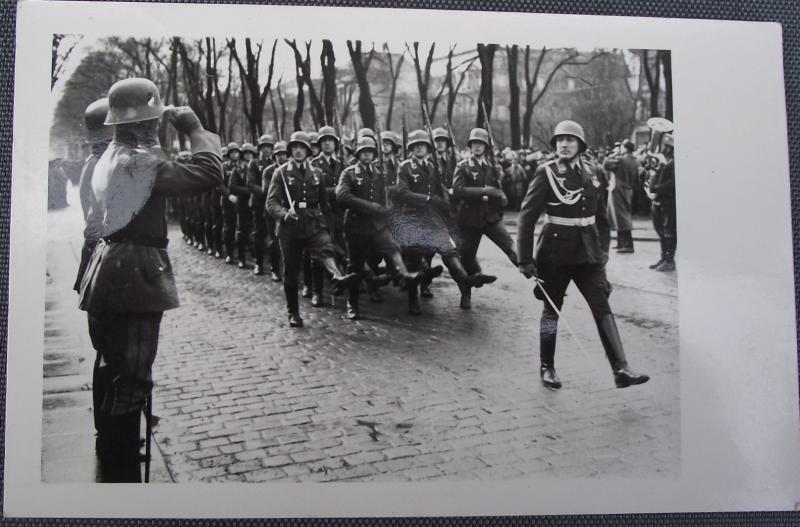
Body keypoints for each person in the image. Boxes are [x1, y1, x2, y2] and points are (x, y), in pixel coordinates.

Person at [78, 78, 223, 482]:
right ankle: (123, 476)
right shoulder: (139, 162)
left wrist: (157, 132)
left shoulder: (112, 153)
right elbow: (209, 173)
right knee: (134, 379)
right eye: (156, 119)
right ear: (148, 120)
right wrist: (194, 128)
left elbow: (153, 160)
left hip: (110, 269)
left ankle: (110, 453)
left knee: (113, 368)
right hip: (134, 279)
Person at [517, 120, 649, 390]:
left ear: (580, 145)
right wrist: (525, 259)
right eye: (560, 140)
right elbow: (526, 218)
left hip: (588, 254)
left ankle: (620, 367)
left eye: (570, 140)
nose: (564, 144)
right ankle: (547, 367)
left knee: (602, 305)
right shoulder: (546, 173)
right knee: (551, 311)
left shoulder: (594, 171)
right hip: (554, 253)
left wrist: (602, 252)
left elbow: (601, 219)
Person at [392, 129, 495, 315]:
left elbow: (442, 192)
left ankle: (464, 279)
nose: (419, 149)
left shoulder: (434, 168)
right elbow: (402, 192)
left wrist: (447, 207)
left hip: (434, 218)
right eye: (415, 146)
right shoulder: (405, 167)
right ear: (411, 149)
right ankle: (413, 299)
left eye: (422, 146)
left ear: (428, 148)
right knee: (414, 261)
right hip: (413, 218)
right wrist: (428, 199)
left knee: (449, 252)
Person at [265, 131, 357, 328]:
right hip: (290, 227)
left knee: (326, 248)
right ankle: (293, 312)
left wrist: (331, 224)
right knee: (291, 272)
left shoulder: (317, 173)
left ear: (308, 151)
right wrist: (283, 214)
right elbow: (271, 202)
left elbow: (324, 204)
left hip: (314, 222)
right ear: (290, 150)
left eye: (303, 148)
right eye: (295, 148)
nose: (298, 151)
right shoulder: (280, 172)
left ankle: (337, 277)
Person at [336, 136, 421, 320]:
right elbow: (342, 196)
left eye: (370, 151)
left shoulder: (381, 173)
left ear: (374, 154)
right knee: (355, 266)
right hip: (356, 226)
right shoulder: (349, 173)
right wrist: (371, 207)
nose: (367, 154)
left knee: (392, 247)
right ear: (358, 154)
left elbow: (391, 195)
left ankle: (404, 275)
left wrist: (388, 207)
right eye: (363, 151)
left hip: (378, 226)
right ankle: (353, 303)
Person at [452, 128, 518, 310]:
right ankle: (466, 293)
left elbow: (502, 190)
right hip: (469, 218)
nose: (477, 147)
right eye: (474, 144)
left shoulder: (493, 167)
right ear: (470, 146)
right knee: (467, 257)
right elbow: (457, 191)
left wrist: (502, 192)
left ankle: (536, 276)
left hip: (491, 216)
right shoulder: (463, 166)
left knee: (510, 246)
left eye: (480, 144)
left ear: (486, 147)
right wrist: (484, 191)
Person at [647, 134, 676, 272]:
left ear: (670, 148)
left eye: (665, 146)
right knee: (661, 231)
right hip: (658, 201)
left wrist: (656, 188)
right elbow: (654, 177)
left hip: (668, 201)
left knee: (668, 231)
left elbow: (672, 183)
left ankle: (670, 260)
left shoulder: (673, 162)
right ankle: (663, 257)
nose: (662, 148)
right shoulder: (663, 161)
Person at [261, 141, 289, 282]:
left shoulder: (291, 170)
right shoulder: (269, 171)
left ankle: (288, 271)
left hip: (289, 211)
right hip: (273, 212)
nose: (282, 157)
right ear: (274, 157)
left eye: (284, 154)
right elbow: (266, 190)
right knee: (274, 241)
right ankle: (274, 269)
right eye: (278, 155)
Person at [247, 134, 274, 275]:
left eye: (269, 147)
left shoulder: (275, 163)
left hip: (273, 204)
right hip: (259, 203)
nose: (267, 150)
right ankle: (259, 263)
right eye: (264, 147)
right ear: (260, 149)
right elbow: (250, 183)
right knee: (259, 234)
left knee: (274, 235)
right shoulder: (254, 163)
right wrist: (264, 192)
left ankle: (275, 267)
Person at [606, 139, 639, 254]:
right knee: (621, 216)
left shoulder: (620, 159)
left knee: (621, 216)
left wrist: (615, 153)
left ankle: (627, 245)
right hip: (629, 189)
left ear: (625, 148)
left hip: (618, 189)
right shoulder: (635, 160)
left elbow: (606, 164)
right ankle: (621, 242)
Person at [221, 142, 241, 264]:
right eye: (232, 152)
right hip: (228, 201)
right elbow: (220, 184)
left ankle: (241, 255)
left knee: (241, 229)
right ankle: (229, 254)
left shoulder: (243, 166)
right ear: (229, 154)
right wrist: (229, 195)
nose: (234, 155)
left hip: (241, 200)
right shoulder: (224, 167)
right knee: (229, 227)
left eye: (236, 152)